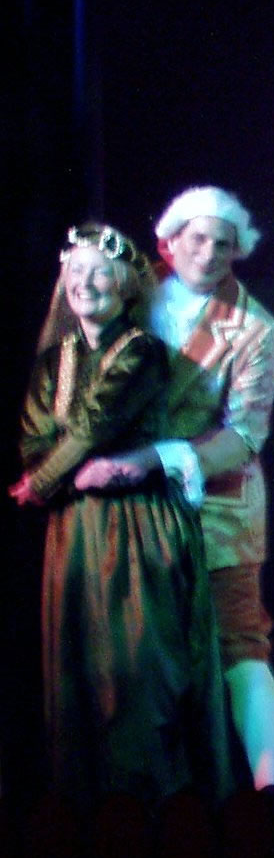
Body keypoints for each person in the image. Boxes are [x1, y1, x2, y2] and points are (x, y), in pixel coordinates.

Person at [12, 224, 230, 804]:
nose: (85, 283)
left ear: (125, 284)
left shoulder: (142, 353)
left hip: (137, 532)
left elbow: (95, 424)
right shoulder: (52, 362)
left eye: (99, 272)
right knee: (78, 682)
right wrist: (52, 475)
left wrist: (45, 481)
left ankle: (157, 822)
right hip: (74, 533)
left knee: (138, 678)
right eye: (75, 271)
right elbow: (35, 438)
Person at [77, 186, 274, 788]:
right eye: (198, 239)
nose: (210, 252)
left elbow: (245, 434)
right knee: (142, 650)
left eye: (223, 243)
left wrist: (156, 458)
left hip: (217, 506)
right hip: (132, 510)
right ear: (168, 244)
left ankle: (271, 788)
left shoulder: (254, 326)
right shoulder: (130, 297)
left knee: (240, 644)